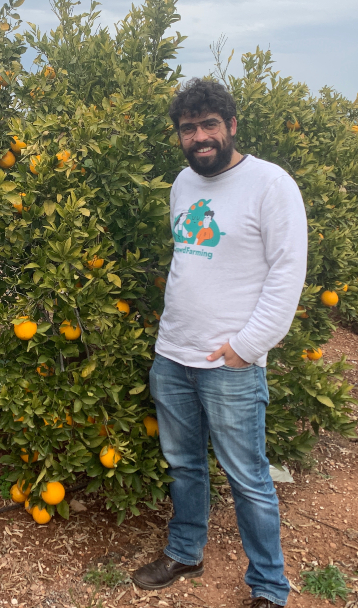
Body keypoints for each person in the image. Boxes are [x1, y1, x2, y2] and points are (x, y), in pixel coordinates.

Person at [132, 78, 307, 607]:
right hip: (173, 355)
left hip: (230, 363)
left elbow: (287, 273)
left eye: (210, 125)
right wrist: (171, 342)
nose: (200, 137)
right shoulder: (183, 184)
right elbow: (190, 261)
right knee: (184, 465)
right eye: (189, 129)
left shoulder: (271, 185)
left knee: (248, 477)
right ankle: (186, 551)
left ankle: (269, 587)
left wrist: (248, 346)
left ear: (231, 126)